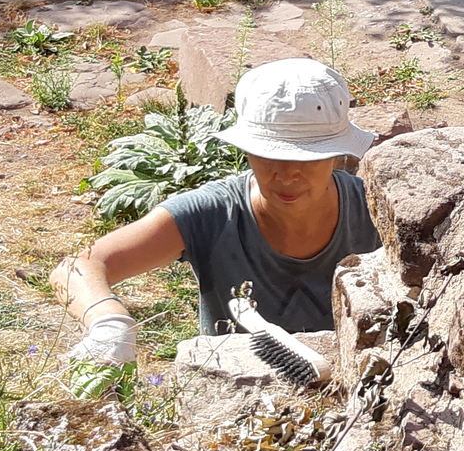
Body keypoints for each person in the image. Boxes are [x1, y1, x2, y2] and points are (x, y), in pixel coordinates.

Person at [50, 58, 381, 366]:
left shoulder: (377, 211)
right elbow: (74, 269)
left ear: (336, 155)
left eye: (306, 157)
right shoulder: (213, 213)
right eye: (268, 155)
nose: (286, 174)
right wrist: (109, 322)